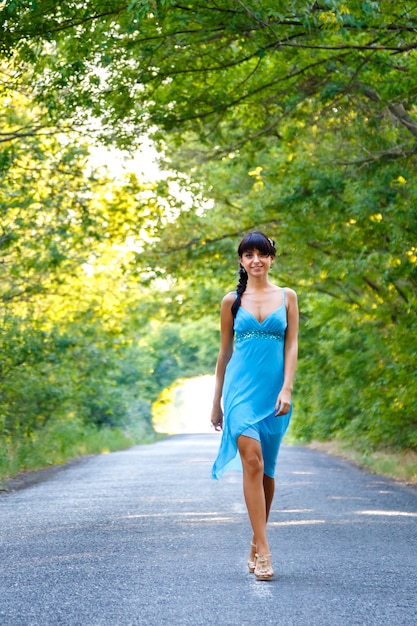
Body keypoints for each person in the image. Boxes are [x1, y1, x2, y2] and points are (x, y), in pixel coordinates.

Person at [210, 231, 299, 581]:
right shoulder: (231, 301)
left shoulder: (287, 297)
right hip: (239, 394)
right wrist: (216, 402)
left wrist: (287, 389)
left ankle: (254, 539)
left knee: (268, 472)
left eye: (261, 254)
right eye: (248, 255)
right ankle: (264, 551)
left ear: (271, 258)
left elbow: (291, 346)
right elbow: (224, 353)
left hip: (275, 393)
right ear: (241, 261)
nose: (255, 260)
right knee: (252, 461)